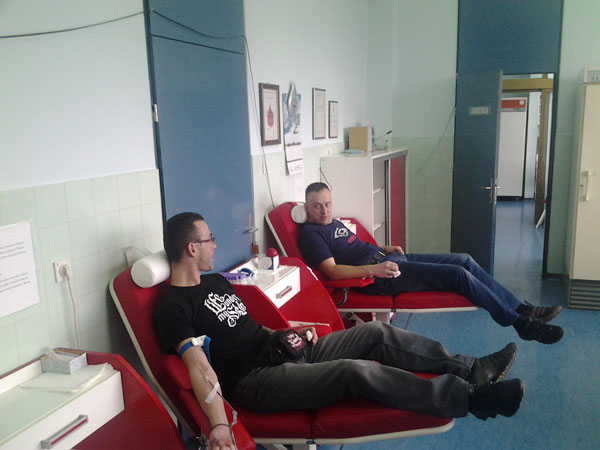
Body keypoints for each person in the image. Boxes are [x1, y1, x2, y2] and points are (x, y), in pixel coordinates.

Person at [156, 212, 526, 450]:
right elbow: (198, 366)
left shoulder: (217, 282)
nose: (215, 244)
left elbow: (247, 327)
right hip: (255, 380)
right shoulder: (174, 308)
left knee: (375, 334)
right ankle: (469, 398)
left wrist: (290, 332)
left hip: (280, 349)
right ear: (191, 248)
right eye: (209, 239)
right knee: (353, 371)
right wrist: (219, 425)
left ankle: (470, 368)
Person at [298, 182, 564, 345]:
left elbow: (355, 247)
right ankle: (519, 323)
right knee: (458, 275)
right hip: (378, 277)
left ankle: (521, 308)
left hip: (386, 259)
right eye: (317, 206)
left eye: (328, 204)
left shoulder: (334, 222)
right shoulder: (311, 234)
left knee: (465, 259)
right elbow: (333, 271)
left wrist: (384, 249)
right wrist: (374, 269)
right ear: (306, 208)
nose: (325, 210)